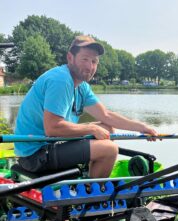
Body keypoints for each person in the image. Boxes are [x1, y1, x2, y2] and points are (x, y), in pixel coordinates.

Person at [14, 35, 158, 178]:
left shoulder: (81, 86)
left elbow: (106, 115)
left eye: (94, 61)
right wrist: (92, 128)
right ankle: (91, 194)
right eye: (85, 59)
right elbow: (53, 128)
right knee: (110, 149)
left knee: (107, 128)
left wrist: (142, 127)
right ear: (70, 57)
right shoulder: (61, 80)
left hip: (50, 144)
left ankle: (91, 175)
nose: (90, 67)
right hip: (34, 154)